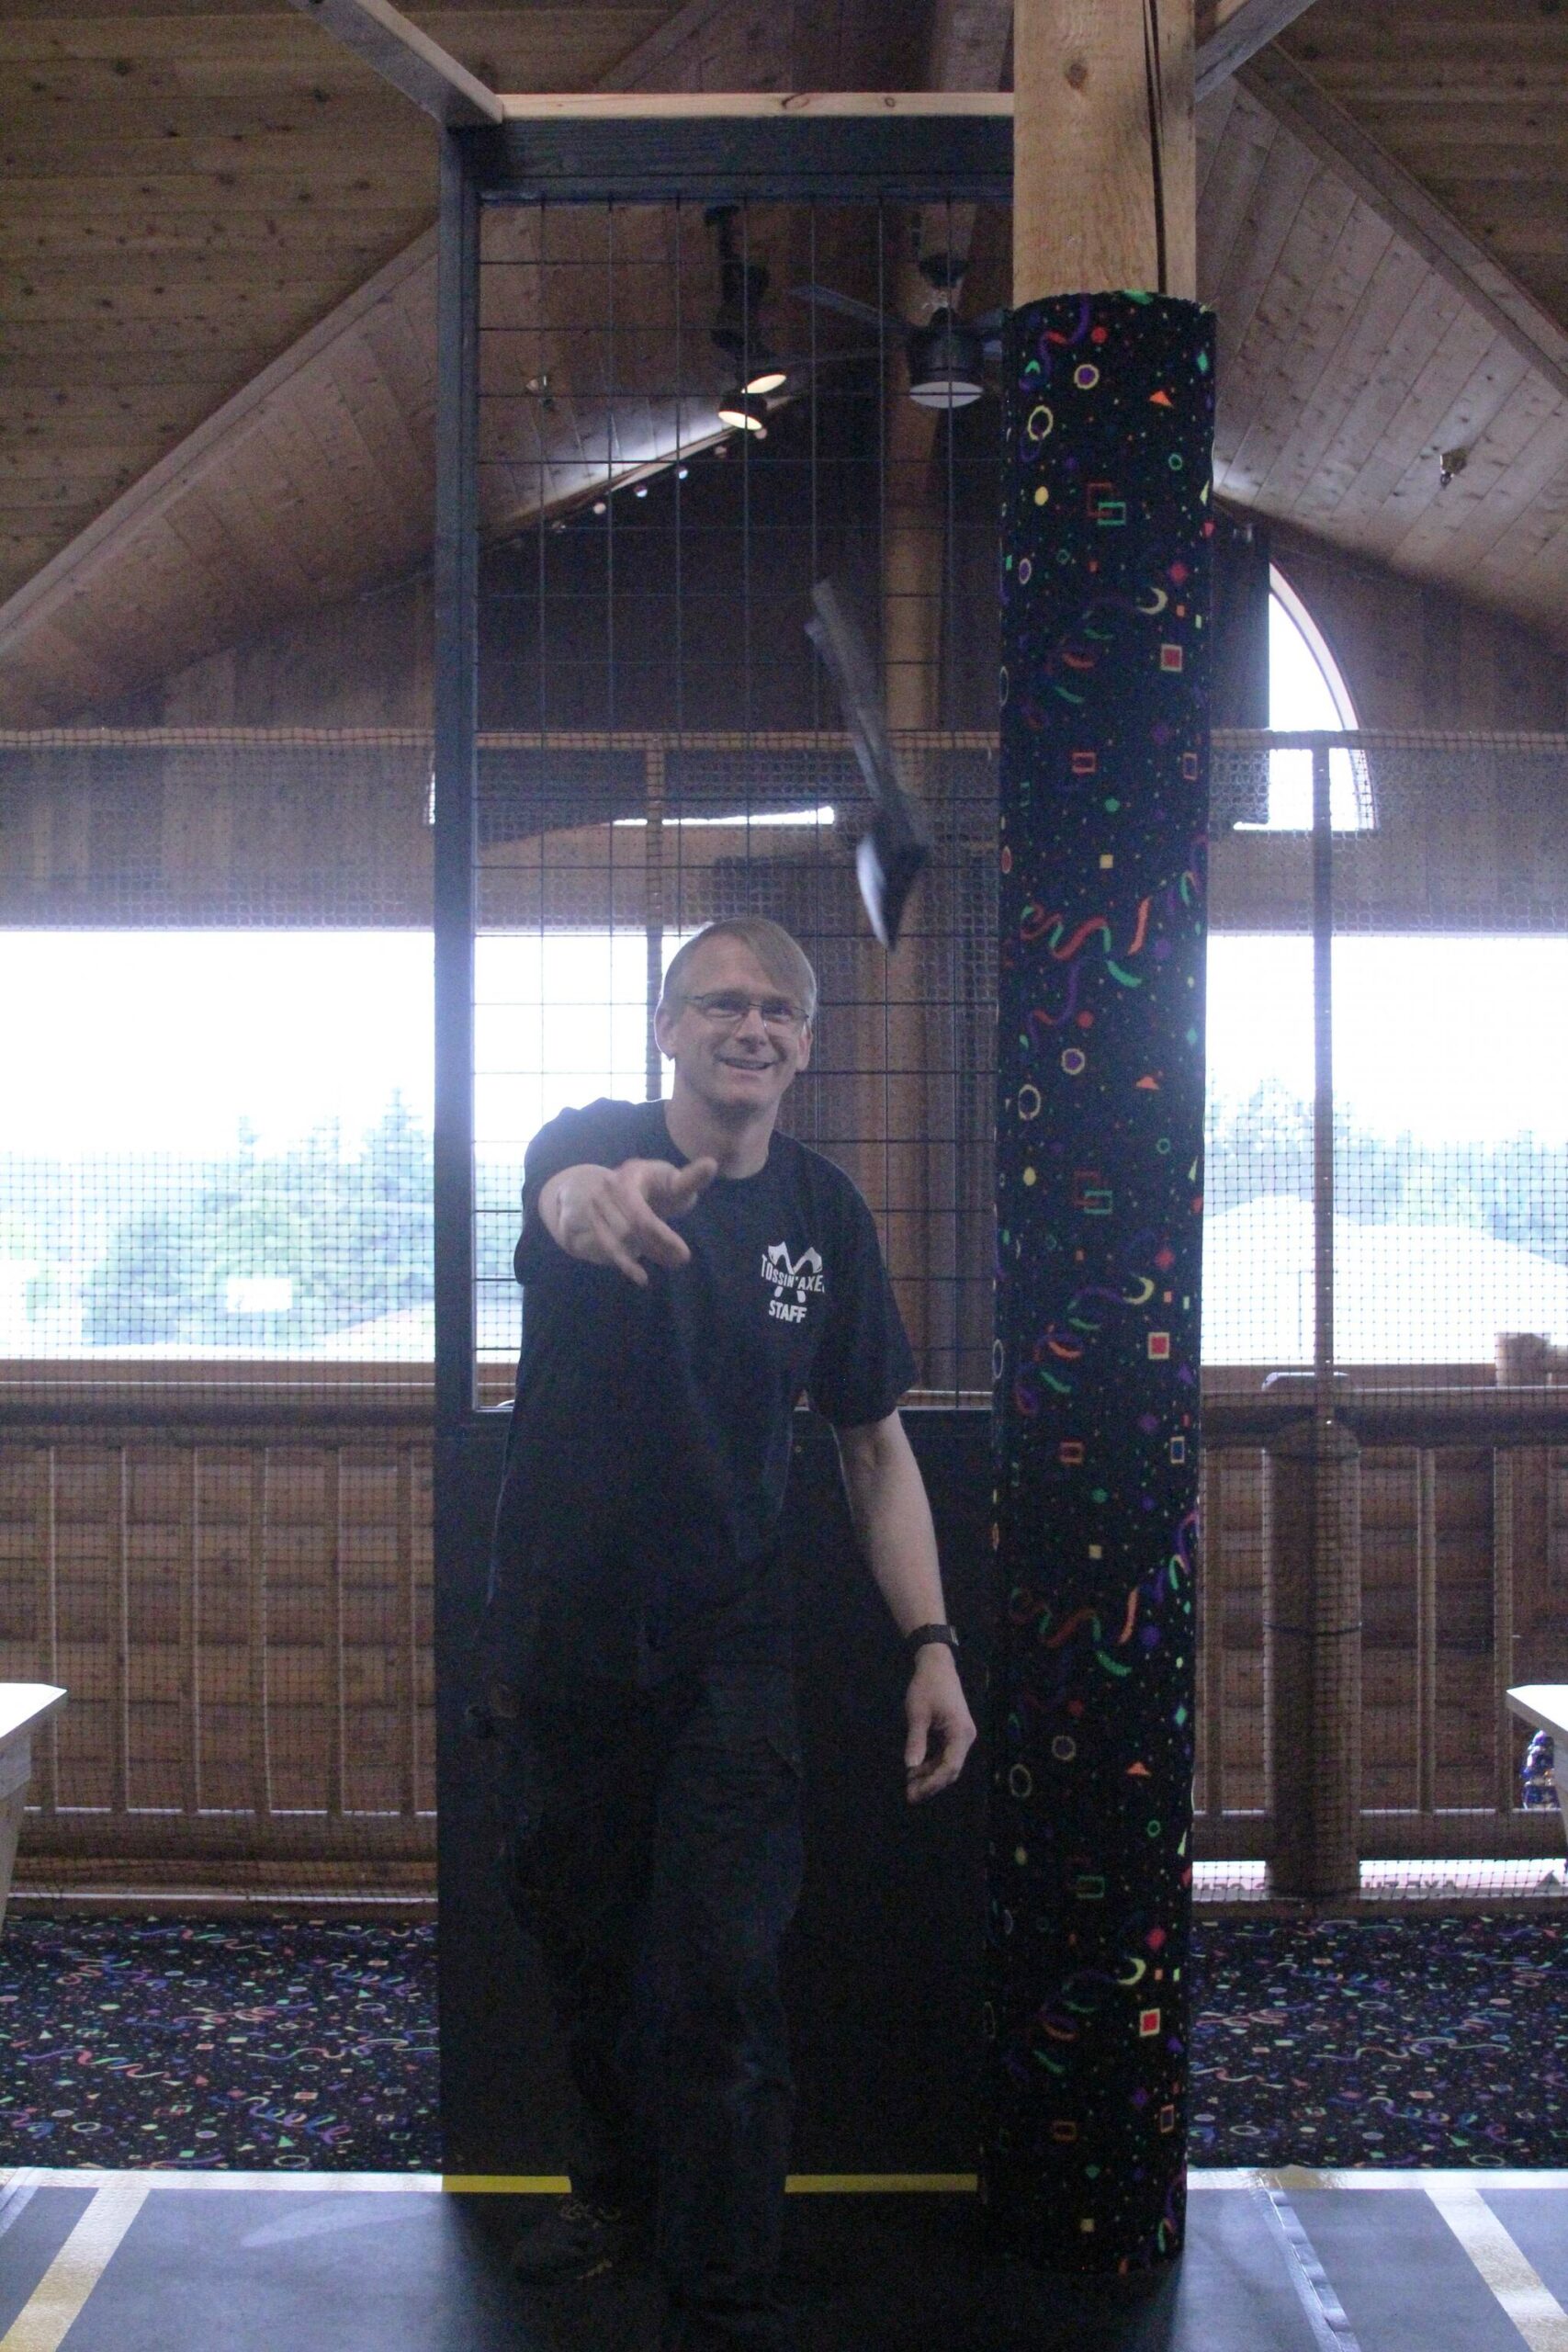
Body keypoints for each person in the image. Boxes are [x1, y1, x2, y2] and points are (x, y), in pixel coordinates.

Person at [482, 915, 976, 2352]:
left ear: (806, 1044)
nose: (748, 1029)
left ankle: (724, 2282)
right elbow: (568, 1195)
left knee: (721, 1967)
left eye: (775, 1010)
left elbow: (873, 1451)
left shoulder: (826, 1219)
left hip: (732, 1653)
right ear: (668, 1027)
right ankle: (613, 2193)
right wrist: (598, 1201)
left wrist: (933, 1641)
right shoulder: (592, 1142)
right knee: (584, 1945)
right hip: (563, 1641)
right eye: (718, 1006)